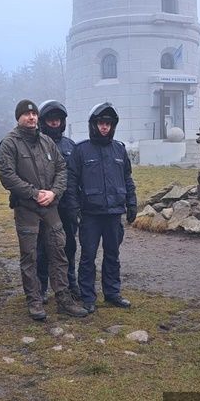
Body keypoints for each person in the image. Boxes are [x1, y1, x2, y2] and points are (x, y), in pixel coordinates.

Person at [0, 99, 88, 321]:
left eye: (34, 114)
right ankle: (35, 300)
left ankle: (63, 298)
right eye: (26, 115)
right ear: (18, 118)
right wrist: (35, 193)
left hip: (51, 208)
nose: (31, 118)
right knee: (30, 256)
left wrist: (54, 192)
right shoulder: (10, 144)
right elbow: (7, 176)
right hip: (27, 208)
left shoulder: (47, 142)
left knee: (59, 251)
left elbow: (62, 169)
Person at [67, 102, 137, 314]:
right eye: (101, 123)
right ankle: (88, 297)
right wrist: (74, 209)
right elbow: (71, 183)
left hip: (114, 213)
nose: (104, 127)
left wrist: (132, 202)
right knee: (88, 256)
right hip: (90, 214)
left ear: (112, 125)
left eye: (108, 123)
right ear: (94, 125)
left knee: (112, 254)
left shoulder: (119, 149)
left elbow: (127, 178)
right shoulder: (80, 150)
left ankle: (113, 293)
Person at [36, 100, 81, 303]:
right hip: (44, 205)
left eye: (58, 119)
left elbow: (78, 177)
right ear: (44, 121)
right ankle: (41, 287)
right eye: (51, 119)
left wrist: (78, 205)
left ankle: (70, 283)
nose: (54, 123)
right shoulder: (35, 144)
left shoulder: (71, 146)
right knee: (42, 247)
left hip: (68, 205)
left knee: (69, 246)